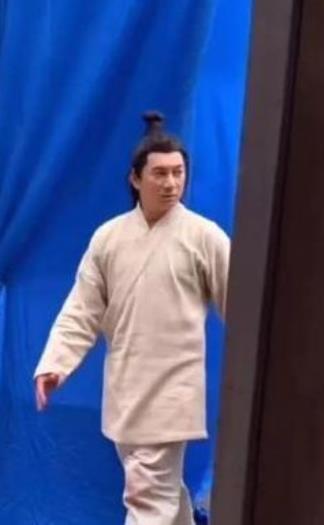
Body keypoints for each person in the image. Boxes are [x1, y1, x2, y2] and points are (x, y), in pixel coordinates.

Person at [33, 112, 230, 525]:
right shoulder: (109, 238)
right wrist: (56, 363)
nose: (171, 183)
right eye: (160, 173)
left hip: (172, 391)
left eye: (178, 172)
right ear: (135, 179)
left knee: (148, 499)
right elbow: (82, 308)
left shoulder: (204, 237)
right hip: (125, 386)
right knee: (162, 493)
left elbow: (242, 304)